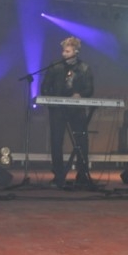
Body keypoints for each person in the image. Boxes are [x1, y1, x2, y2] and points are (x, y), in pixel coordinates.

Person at [40, 36, 94, 186]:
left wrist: (80, 94)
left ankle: (82, 174)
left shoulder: (84, 68)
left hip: (76, 109)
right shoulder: (55, 66)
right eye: (63, 51)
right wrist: (52, 99)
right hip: (58, 109)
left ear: (76, 52)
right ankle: (58, 175)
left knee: (81, 140)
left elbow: (89, 89)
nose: (64, 54)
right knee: (56, 141)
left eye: (67, 51)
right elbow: (45, 87)